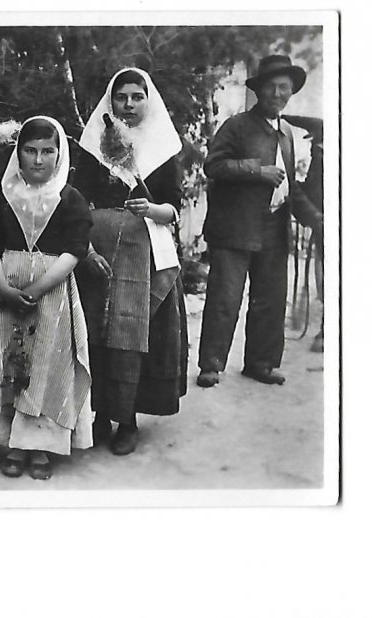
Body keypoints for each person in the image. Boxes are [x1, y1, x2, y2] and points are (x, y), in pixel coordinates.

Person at [0, 116, 93, 481]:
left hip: (51, 295)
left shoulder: (69, 199)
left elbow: (74, 251)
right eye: (30, 151)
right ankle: (12, 442)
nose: (38, 160)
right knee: (7, 364)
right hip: (6, 293)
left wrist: (38, 289)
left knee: (45, 366)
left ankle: (40, 445)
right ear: (19, 154)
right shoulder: (5, 197)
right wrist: (5, 289)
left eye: (47, 151)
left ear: (59, 154)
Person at [74, 67, 188, 456]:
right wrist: (86, 250)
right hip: (100, 251)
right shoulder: (94, 146)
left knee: (133, 337)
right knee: (96, 331)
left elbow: (174, 206)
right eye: (121, 97)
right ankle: (99, 417)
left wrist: (153, 208)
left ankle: (127, 419)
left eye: (136, 97)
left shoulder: (162, 146)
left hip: (145, 250)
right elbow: (78, 202)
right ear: (111, 101)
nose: (128, 104)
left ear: (148, 100)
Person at [197, 55, 320, 387]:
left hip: (273, 228)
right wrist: (257, 170)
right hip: (234, 227)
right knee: (225, 297)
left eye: (285, 88)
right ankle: (211, 364)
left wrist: (316, 220)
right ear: (259, 90)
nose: (278, 94)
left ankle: (260, 363)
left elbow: (291, 189)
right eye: (272, 87)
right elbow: (214, 166)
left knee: (271, 299)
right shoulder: (236, 126)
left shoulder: (287, 135)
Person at [282, 114, 324, 352]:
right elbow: (314, 185)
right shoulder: (320, 154)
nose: (313, 148)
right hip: (322, 220)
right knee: (324, 269)